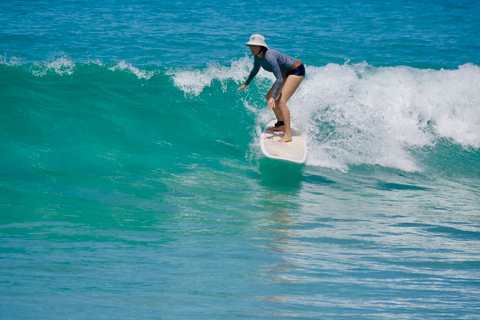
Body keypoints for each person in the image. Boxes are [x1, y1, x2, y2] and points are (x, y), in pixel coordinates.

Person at [238, 34, 305, 143]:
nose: (252, 48)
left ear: (261, 46)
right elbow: (255, 70)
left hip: (296, 70)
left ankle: (288, 135)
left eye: (255, 46)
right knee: (268, 96)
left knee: (281, 102)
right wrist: (246, 83)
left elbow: (278, 78)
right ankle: (281, 124)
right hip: (285, 73)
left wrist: (274, 97)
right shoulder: (257, 57)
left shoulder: (269, 56)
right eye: (251, 46)